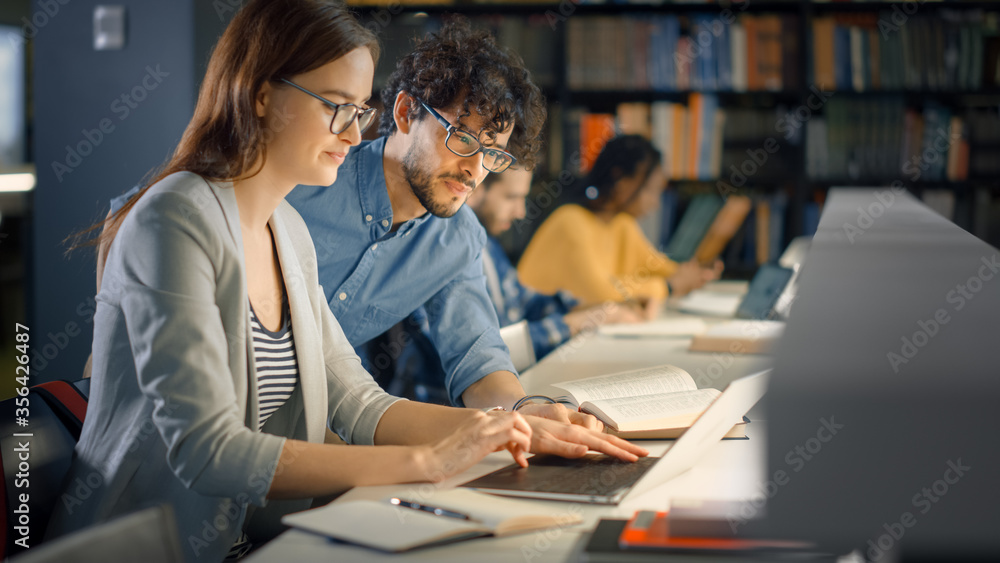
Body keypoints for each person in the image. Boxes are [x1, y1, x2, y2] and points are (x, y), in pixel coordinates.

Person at [47, 3, 646, 562]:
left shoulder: (286, 229)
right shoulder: (213, 207)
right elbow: (209, 449)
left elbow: (371, 397)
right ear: (260, 96)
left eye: (359, 111)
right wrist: (427, 461)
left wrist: (513, 422)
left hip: (254, 526)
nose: (356, 133)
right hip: (145, 538)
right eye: (337, 106)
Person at [284, 21, 603, 421]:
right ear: (405, 113)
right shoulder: (305, 179)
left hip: (317, 419)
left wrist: (526, 413)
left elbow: (476, 354)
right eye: (463, 138)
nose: (474, 170)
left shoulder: (460, 237)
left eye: (492, 154)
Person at [518, 135, 723, 316]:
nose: (655, 203)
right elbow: (603, 296)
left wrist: (695, 273)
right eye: (650, 190)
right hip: (539, 341)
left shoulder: (621, 223)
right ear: (620, 179)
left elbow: (656, 267)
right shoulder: (570, 222)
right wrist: (669, 287)